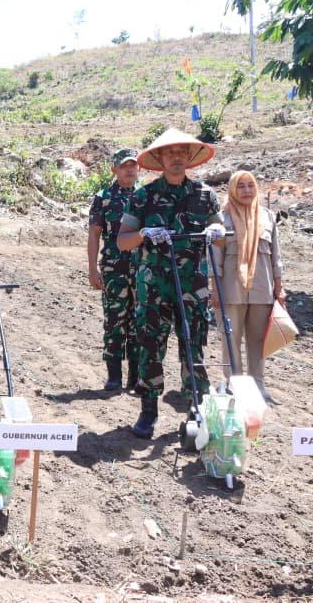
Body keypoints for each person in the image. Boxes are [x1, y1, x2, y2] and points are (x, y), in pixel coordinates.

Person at [118, 128, 226, 439]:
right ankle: (148, 410)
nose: (176, 157)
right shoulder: (144, 196)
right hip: (154, 286)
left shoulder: (205, 195)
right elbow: (122, 240)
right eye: (170, 152)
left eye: (182, 152)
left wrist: (217, 232)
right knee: (151, 346)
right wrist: (143, 235)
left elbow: (220, 234)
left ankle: (196, 407)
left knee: (194, 345)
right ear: (160, 158)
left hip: (193, 285)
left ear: (189, 157)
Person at [210, 170, 285, 402]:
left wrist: (279, 287)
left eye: (250, 185)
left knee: (258, 340)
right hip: (230, 289)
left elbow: (276, 256)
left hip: (262, 288)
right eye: (241, 186)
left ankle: (257, 386)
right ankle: (234, 384)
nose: (246, 191)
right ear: (232, 190)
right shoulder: (222, 219)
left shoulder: (267, 217)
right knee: (230, 339)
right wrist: (215, 289)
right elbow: (214, 258)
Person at [87, 148, 140, 391]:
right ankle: (114, 375)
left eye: (133, 165)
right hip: (114, 269)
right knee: (114, 321)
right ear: (114, 169)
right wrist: (92, 268)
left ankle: (135, 377)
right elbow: (94, 234)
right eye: (124, 166)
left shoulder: (146, 196)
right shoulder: (104, 197)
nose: (129, 170)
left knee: (139, 322)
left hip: (142, 270)